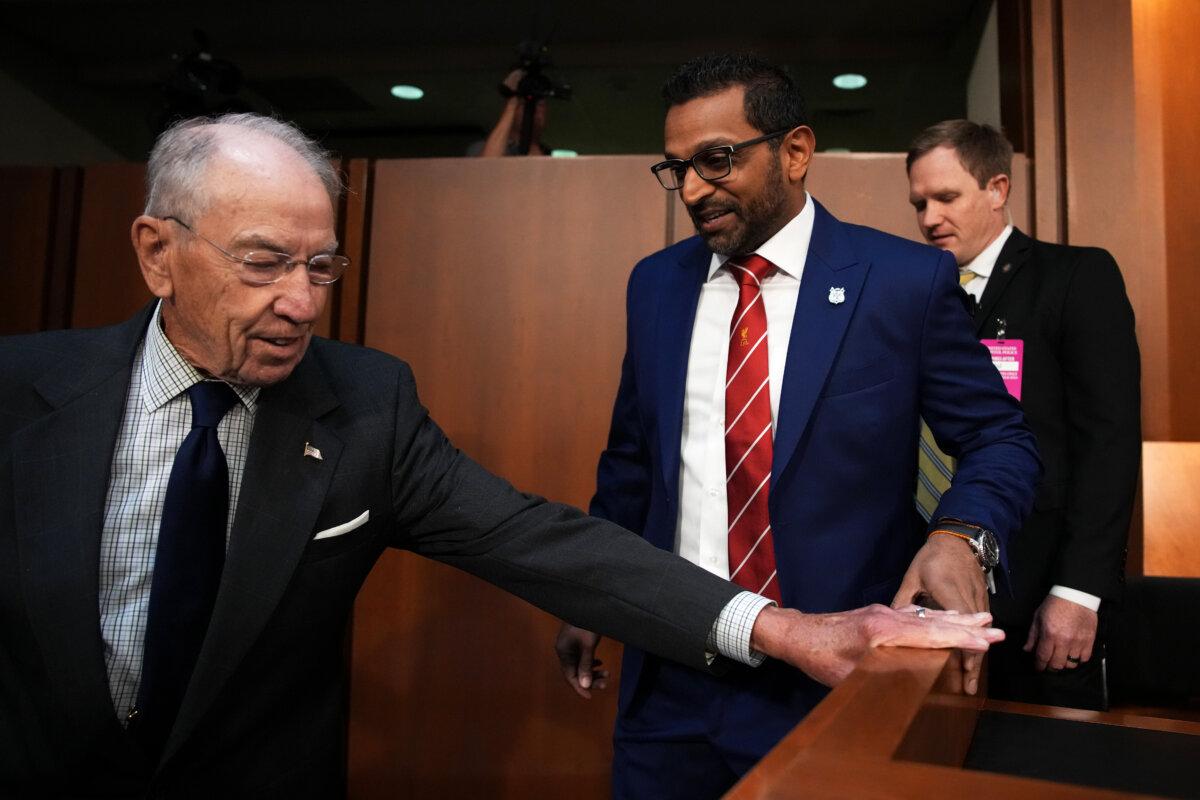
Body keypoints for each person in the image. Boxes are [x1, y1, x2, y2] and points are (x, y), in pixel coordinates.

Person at [0, 112, 1002, 799]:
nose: (303, 302)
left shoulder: (365, 406)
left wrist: (789, 629)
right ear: (155, 252)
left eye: (322, 266)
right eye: (263, 263)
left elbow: (543, 541)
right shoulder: (21, 395)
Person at [553, 54, 1041, 800]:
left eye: (715, 161)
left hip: (835, 672)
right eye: (676, 168)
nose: (691, 189)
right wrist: (587, 596)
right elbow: (631, 464)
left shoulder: (902, 283)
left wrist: (958, 534)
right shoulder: (655, 286)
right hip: (670, 676)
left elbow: (999, 438)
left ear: (796, 151)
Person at [906, 120, 1141, 710]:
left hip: (1041, 593)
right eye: (919, 203)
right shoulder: (914, 297)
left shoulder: (1074, 278)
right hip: (932, 596)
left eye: (947, 197)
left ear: (997, 188)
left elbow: (1108, 444)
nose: (930, 217)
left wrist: (1079, 593)